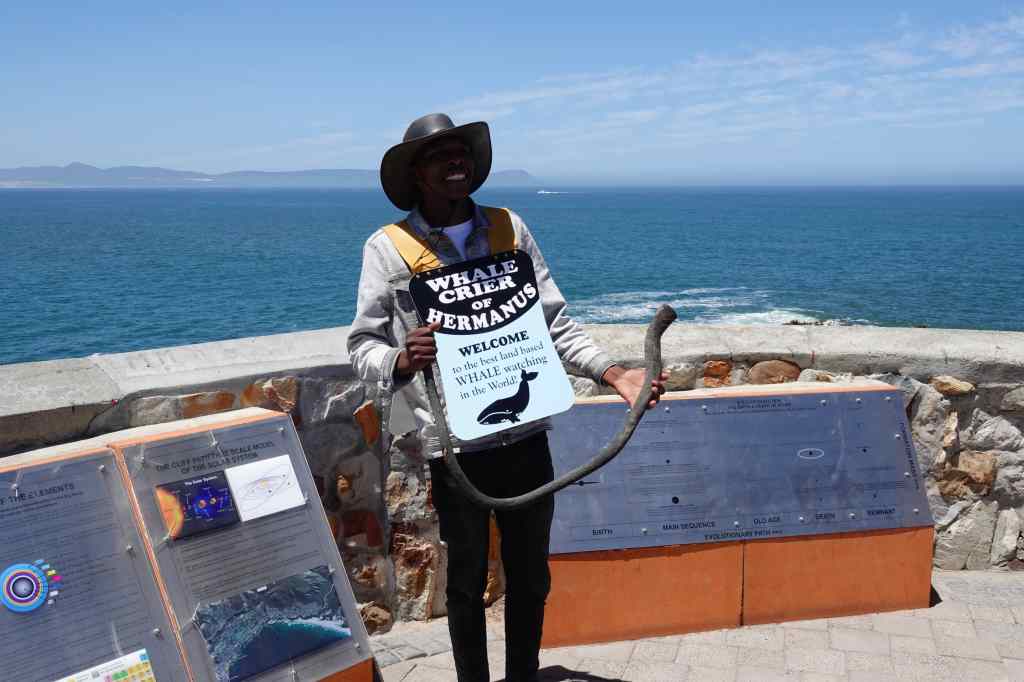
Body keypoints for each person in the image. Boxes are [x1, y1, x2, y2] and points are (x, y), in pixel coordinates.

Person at [348, 113, 666, 682]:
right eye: (440, 155)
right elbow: (363, 344)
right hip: (455, 451)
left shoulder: (506, 228)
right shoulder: (389, 248)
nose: (456, 162)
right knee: (466, 585)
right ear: (416, 173)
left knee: (530, 578)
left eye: (461, 152)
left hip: (525, 439)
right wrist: (398, 359)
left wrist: (614, 373)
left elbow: (554, 324)